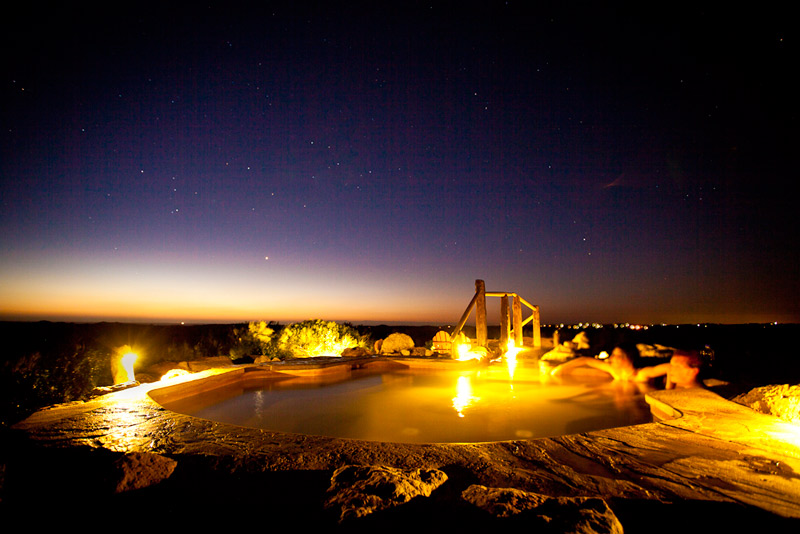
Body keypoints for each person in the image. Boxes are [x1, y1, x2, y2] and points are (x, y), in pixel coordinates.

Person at [550, 345, 640, 381]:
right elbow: (586, 360)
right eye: (612, 355)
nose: (611, 358)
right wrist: (561, 368)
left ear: (629, 357)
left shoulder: (640, 375)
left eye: (617, 355)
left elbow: (654, 370)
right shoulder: (614, 370)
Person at [629, 349, 705, 389]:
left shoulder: (698, 397)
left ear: (693, 371)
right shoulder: (679, 390)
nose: (670, 369)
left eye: (677, 366)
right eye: (671, 364)